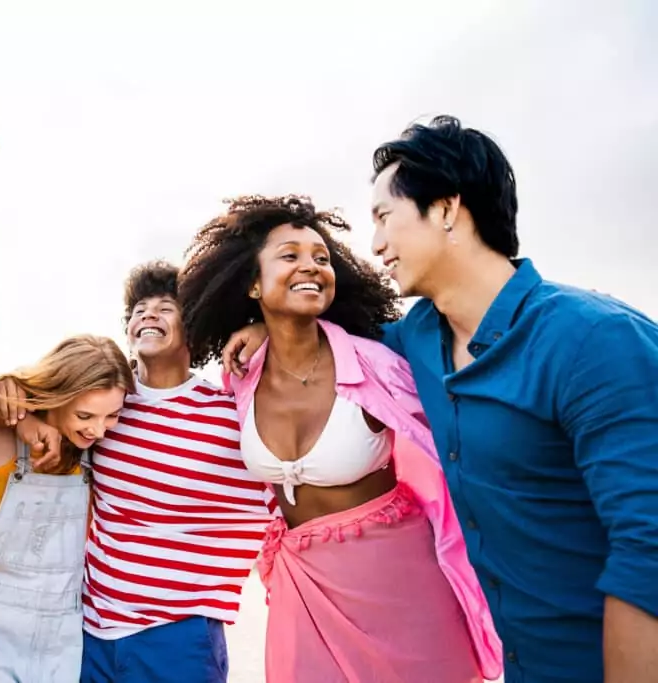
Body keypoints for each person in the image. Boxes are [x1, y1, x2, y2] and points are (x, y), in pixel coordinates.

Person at [223, 116, 658, 683]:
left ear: (448, 210)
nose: (374, 244)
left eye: (384, 218)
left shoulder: (595, 339)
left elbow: (648, 549)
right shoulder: (417, 340)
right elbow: (326, 350)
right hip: (514, 660)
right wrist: (264, 328)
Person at [179, 194, 499, 683]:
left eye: (322, 258)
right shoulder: (241, 377)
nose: (311, 266)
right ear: (251, 284)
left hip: (402, 586)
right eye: (290, 255)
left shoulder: (379, 366)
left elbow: (463, 434)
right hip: (302, 592)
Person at [0, 261, 275, 683]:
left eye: (165, 307)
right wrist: (10, 393)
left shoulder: (229, 412)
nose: (148, 314)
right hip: (89, 630)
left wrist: (264, 329)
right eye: (140, 308)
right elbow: (36, 397)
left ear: (194, 326)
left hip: (179, 636)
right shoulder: (107, 407)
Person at [0, 335, 134, 683]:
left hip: (60, 636)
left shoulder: (94, 453)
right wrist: (13, 411)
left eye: (112, 415)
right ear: (56, 394)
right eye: (85, 415)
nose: (98, 429)